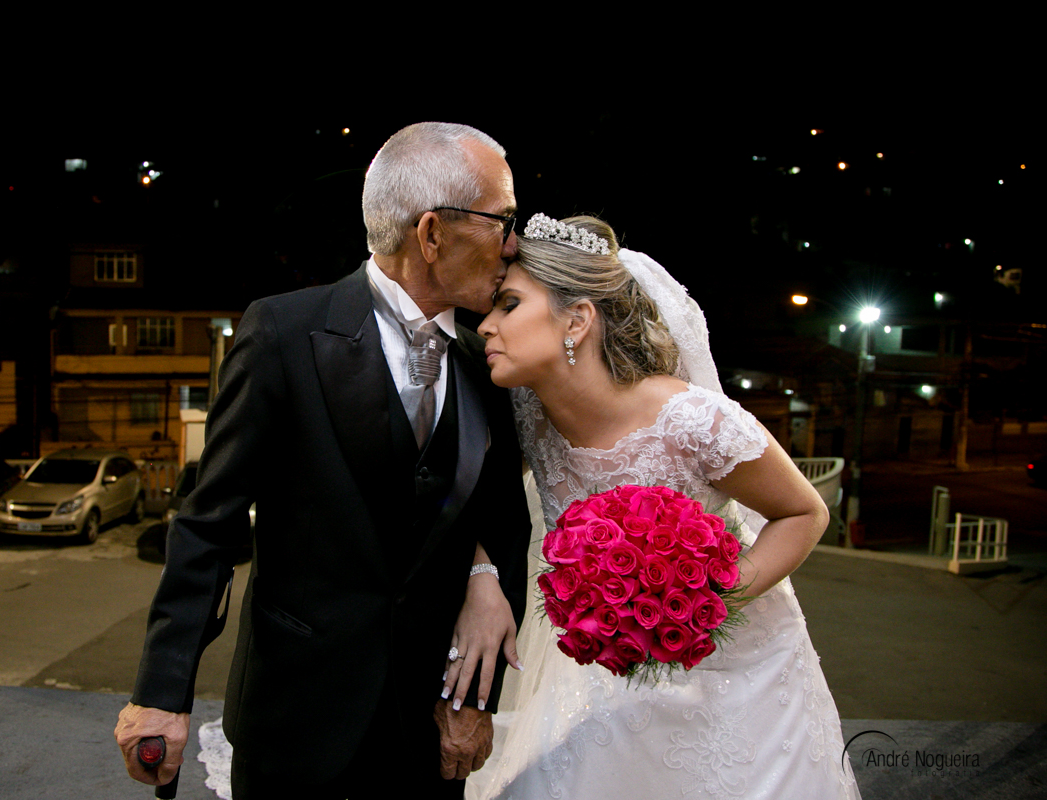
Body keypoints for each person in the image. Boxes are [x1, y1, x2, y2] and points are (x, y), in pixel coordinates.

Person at [114, 122, 533, 799]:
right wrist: (163, 690)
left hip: (428, 732)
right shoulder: (282, 333)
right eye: (503, 220)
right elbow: (209, 523)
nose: (515, 244)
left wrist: (474, 695)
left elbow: (505, 525)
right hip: (294, 725)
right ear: (432, 234)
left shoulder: (489, 362)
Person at [445, 214, 862, 799]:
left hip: (738, 671)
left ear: (578, 318)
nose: (485, 325)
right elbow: (488, 501)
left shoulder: (693, 419)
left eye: (509, 305)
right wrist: (483, 576)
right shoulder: (527, 414)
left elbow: (804, 513)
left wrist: (700, 602)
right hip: (608, 665)